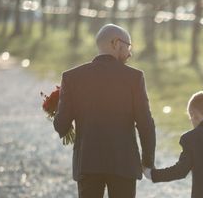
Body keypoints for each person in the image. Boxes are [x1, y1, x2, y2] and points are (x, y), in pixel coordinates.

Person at [54, 24, 156, 198]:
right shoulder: (134, 78)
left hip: (88, 163)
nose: (130, 53)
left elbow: (61, 126)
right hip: (123, 164)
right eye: (128, 46)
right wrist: (147, 162)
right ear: (116, 43)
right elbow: (145, 124)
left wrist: (56, 109)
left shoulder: (72, 77)